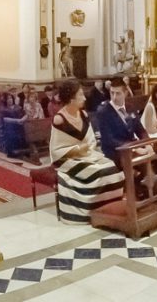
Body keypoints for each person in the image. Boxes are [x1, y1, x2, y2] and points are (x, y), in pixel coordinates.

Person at [49, 79, 124, 223]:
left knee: (112, 167)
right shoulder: (59, 119)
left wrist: (86, 149)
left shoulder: (83, 114)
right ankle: (89, 210)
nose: (84, 98)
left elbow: (90, 139)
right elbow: (55, 150)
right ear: (71, 99)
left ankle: (106, 207)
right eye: (80, 95)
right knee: (98, 172)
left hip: (87, 155)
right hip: (66, 160)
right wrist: (77, 149)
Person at [96, 77, 149, 167]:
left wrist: (147, 144)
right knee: (144, 163)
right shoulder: (104, 111)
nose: (114, 97)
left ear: (125, 93)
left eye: (118, 93)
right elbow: (109, 139)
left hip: (132, 146)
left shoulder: (130, 107)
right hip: (116, 150)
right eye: (112, 93)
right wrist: (134, 148)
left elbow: (140, 130)